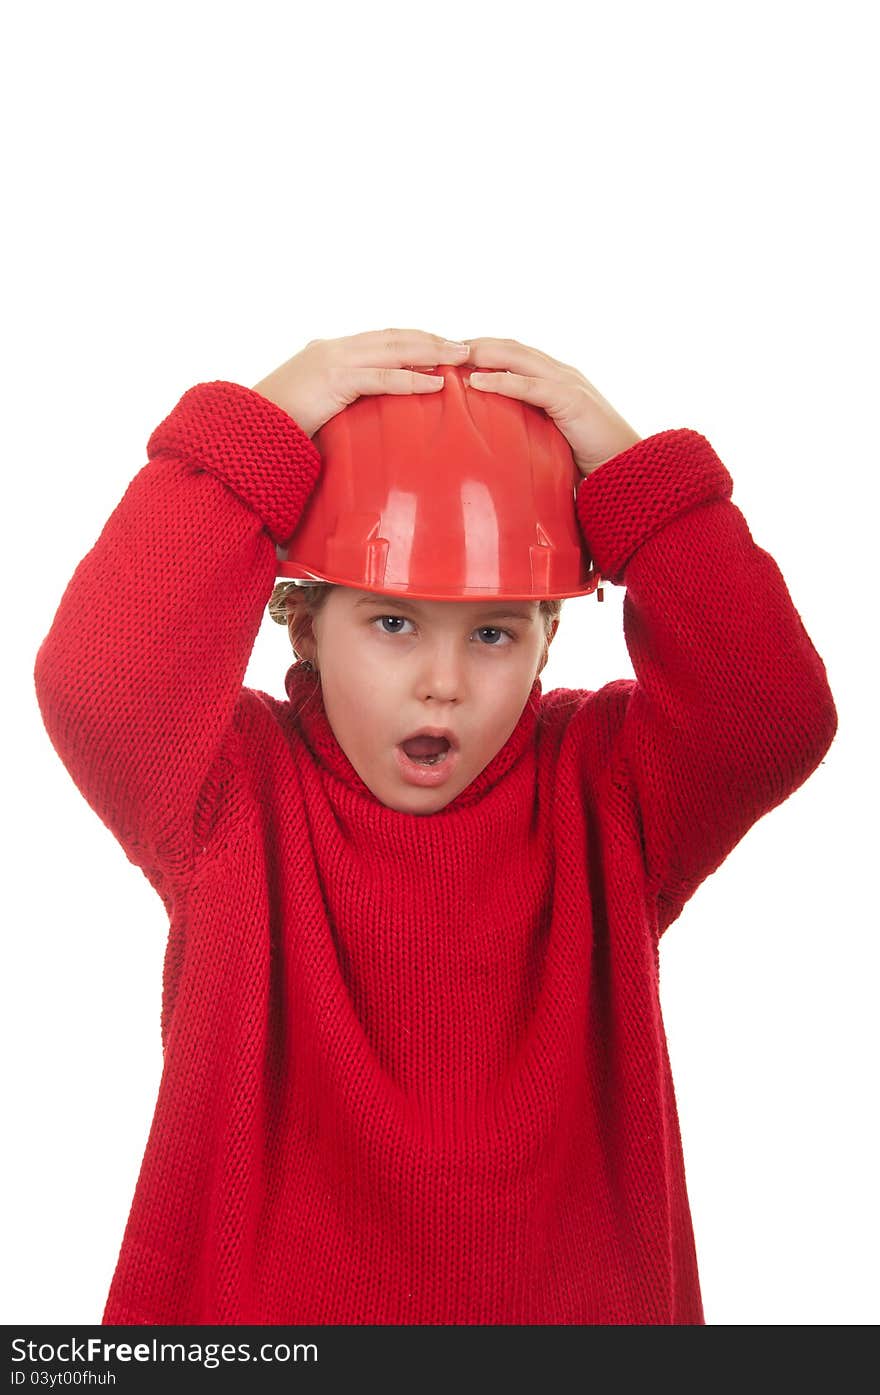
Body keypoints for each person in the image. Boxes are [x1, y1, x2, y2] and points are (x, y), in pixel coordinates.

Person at [32, 327, 838, 1325]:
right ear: (304, 621)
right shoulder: (233, 792)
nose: (444, 684)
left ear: (549, 634)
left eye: (494, 632)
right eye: (392, 622)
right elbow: (101, 685)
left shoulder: (609, 791)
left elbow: (771, 711)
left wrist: (642, 482)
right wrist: (254, 430)